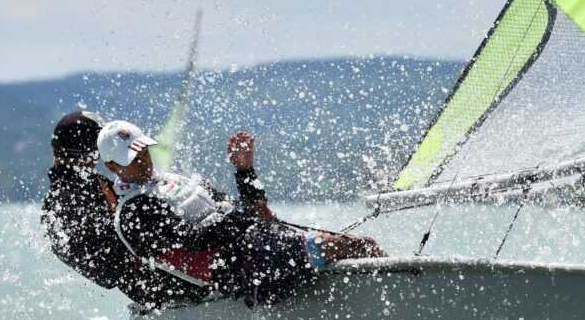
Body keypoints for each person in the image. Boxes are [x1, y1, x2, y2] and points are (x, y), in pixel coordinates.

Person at [98, 120, 383, 307]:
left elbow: (250, 211)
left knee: (362, 245)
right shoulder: (134, 212)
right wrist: (247, 216)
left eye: (143, 152)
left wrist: (245, 171)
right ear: (112, 166)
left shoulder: (174, 182)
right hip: (237, 269)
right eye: (132, 159)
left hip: (254, 247)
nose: (143, 161)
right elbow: (197, 239)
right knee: (356, 246)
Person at [41, 111, 208, 309]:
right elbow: (110, 268)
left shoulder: (56, 203)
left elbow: (102, 273)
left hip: (148, 287)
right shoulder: (90, 191)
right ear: (94, 153)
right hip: (169, 284)